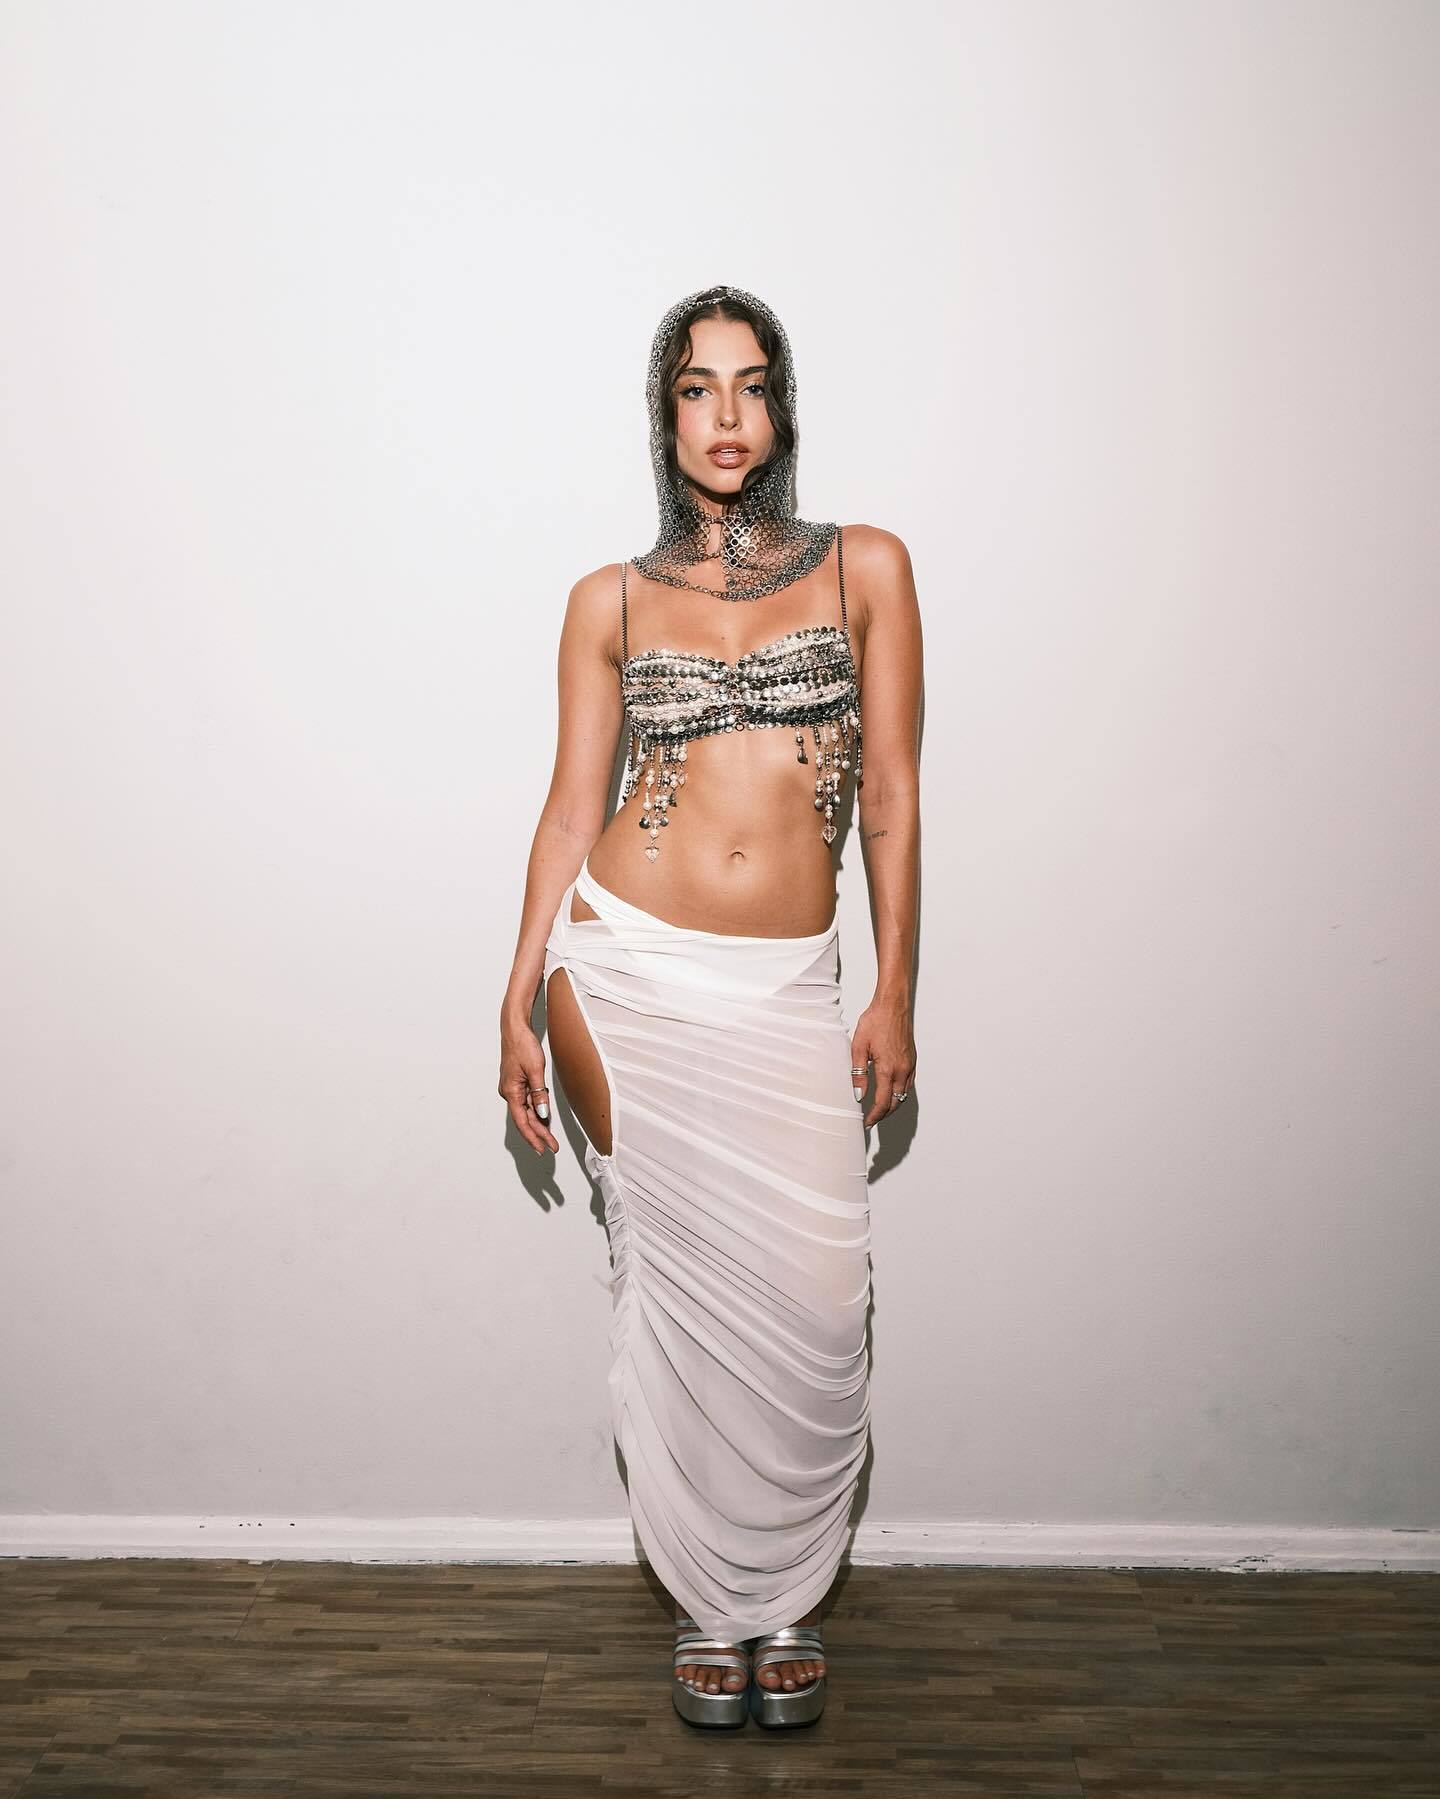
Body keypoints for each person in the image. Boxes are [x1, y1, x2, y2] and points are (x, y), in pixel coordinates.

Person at [498, 283, 921, 1728]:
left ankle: (780, 1586)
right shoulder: (607, 600)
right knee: (676, 1296)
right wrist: (514, 989)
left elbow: (893, 796)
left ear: (781, 410)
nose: (726, 416)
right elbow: (571, 809)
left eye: (750, 386)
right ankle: (717, 1606)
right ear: (663, 414)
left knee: (816, 1306)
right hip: (621, 970)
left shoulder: (867, 566)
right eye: (697, 388)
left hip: (789, 988)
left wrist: (895, 990)